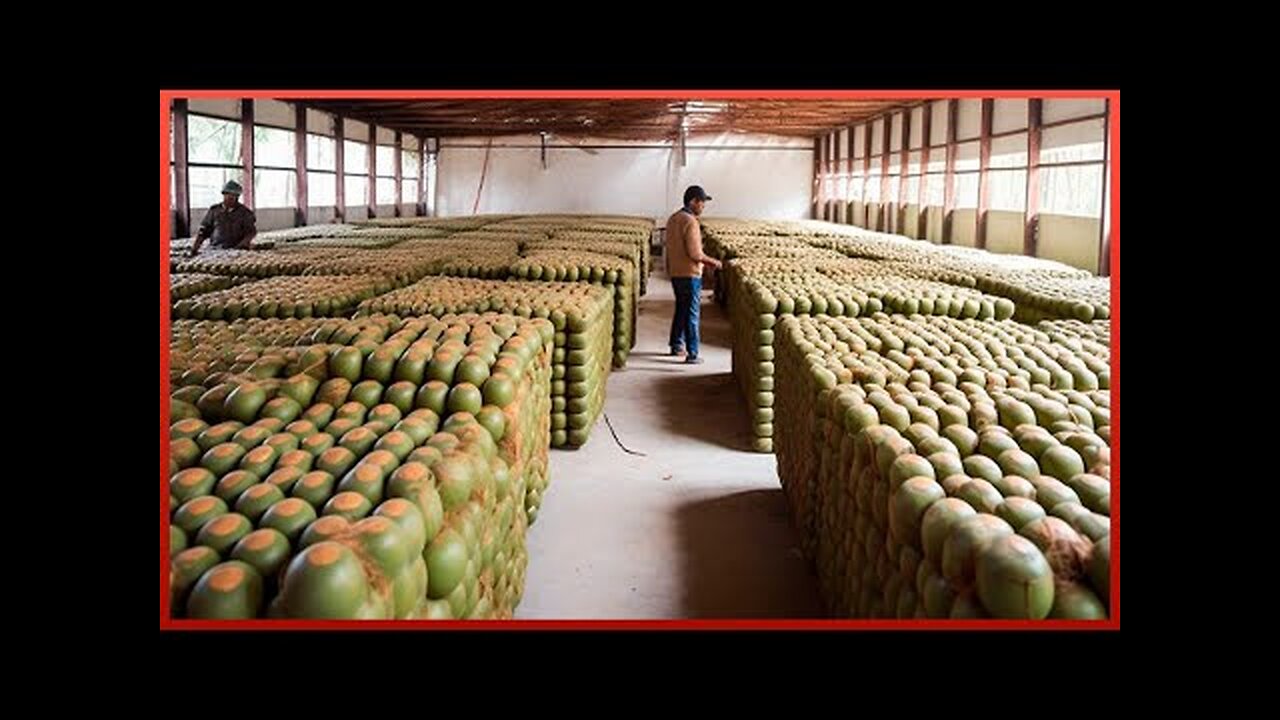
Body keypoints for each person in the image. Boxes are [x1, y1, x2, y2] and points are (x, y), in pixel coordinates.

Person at [664, 185, 722, 364]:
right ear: (693, 201)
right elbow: (695, 254)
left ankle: (676, 345)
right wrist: (714, 262)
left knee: (681, 309)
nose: (703, 206)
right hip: (690, 275)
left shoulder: (673, 219)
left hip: (676, 273)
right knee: (692, 313)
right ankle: (693, 353)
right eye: (702, 202)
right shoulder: (690, 222)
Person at [189, 180, 257, 256]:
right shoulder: (214, 211)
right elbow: (203, 231)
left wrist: (241, 245)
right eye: (227, 195)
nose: (229, 198)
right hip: (215, 249)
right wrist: (195, 248)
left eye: (233, 196)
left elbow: (251, 232)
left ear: (237, 197)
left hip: (238, 252)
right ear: (223, 195)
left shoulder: (245, 213)